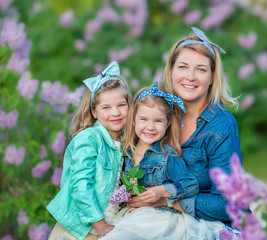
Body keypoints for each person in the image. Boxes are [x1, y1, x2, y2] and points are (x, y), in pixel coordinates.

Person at [128, 27, 244, 226]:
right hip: (156, 219)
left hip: (207, 224)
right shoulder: (158, 112)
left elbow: (230, 203)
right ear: (171, 70)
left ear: (211, 78)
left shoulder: (221, 125)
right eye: (183, 66)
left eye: (201, 69)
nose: (190, 76)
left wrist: (165, 200)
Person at [100, 82, 224, 240]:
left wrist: (160, 191)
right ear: (133, 120)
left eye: (158, 121)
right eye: (144, 119)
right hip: (132, 214)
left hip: (158, 218)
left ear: (168, 123)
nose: (150, 127)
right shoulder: (125, 152)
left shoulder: (167, 155)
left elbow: (190, 185)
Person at [46, 61, 131, 240]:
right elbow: (80, 185)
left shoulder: (125, 144)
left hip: (108, 223)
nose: (115, 112)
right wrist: (99, 224)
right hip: (82, 229)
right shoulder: (90, 138)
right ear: (94, 111)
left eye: (121, 105)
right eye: (106, 107)